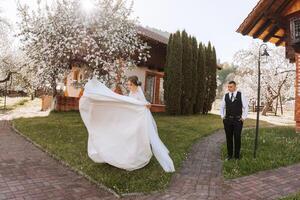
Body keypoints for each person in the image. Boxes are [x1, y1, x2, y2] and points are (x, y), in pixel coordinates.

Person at [79, 76, 175, 172]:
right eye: (128, 84)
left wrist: (146, 105)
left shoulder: (138, 93)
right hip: (131, 118)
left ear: (136, 85)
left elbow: (144, 103)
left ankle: (135, 157)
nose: (128, 86)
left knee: (134, 138)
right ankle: (127, 155)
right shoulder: (131, 93)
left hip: (138, 120)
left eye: (130, 84)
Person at [220, 81, 248, 160]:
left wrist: (243, 118)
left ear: (235, 87)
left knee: (237, 137)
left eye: (231, 86)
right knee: (228, 138)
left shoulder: (240, 95)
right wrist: (222, 116)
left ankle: (237, 156)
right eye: (228, 87)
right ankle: (229, 155)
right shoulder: (225, 96)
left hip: (238, 120)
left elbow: (246, 107)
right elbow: (222, 107)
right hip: (228, 120)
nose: (229, 88)